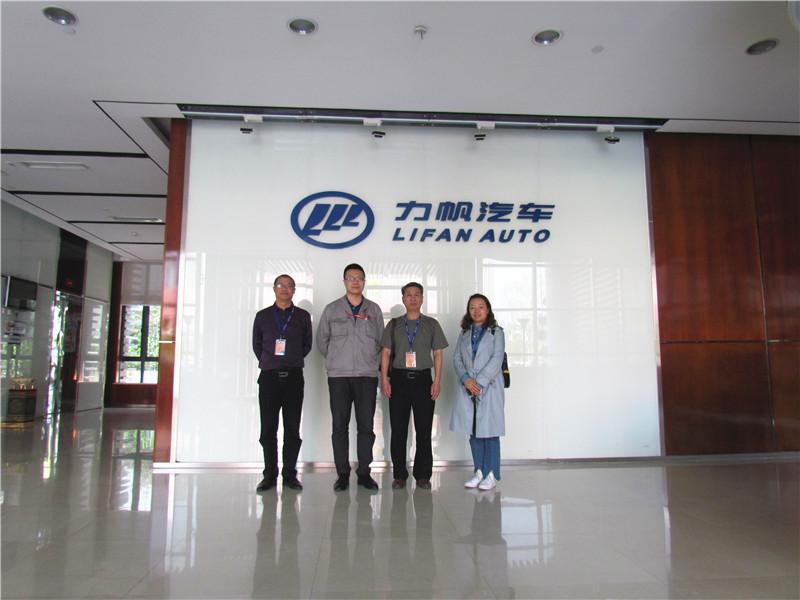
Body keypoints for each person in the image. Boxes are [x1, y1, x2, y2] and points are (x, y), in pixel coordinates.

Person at [317, 263, 385, 491]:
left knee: (366, 426)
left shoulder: (374, 310)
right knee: (340, 426)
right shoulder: (332, 309)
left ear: (364, 282)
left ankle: (364, 473)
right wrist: (338, 359)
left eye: (359, 278)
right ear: (344, 281)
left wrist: (367, 359)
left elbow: (381, 342)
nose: (355, 282)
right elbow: (322, 342)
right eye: (351, 278)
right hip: (339, 376)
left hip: (367, 376)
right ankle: (343, 474)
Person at [380, 282, 448, 490]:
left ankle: (423, 475)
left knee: (424, 429)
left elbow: (438, 353)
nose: (412, 298)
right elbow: (385, 353)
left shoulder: (431, 324)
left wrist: (437, 381)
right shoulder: (393, 325)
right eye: (408, 295)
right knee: (398, 430)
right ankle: (399, 475)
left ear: (422, 299)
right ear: (403, 299)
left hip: (423, 380)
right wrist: (384, 379)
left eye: (416, 294)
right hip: (398, 380)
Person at [252, 274, 313, 492]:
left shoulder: (303, 316)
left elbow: (307, 345)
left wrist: (289, 360)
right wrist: (272, 361)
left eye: (289, 286)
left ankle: (289, 475)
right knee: (268, 429)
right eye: (280, 285)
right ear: (274, 289)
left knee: (292, 429)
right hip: (269, 378)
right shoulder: (262, 316)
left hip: (294, 378)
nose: (285, 289)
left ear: (294, 290)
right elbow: (257, 345)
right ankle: (269, 475)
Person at [450, 293, 506, 491]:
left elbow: (497, 359)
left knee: (490, 432)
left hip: (489, 387)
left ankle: (492, 474)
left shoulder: (496, 332)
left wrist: (479, 383)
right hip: (468, 388)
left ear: (487, 309)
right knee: (473, 430)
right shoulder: (464, 333)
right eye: (472, 307)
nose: (476, 311)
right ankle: (479, 471)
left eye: (480, 307)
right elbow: (456, 358)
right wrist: (466, 380)